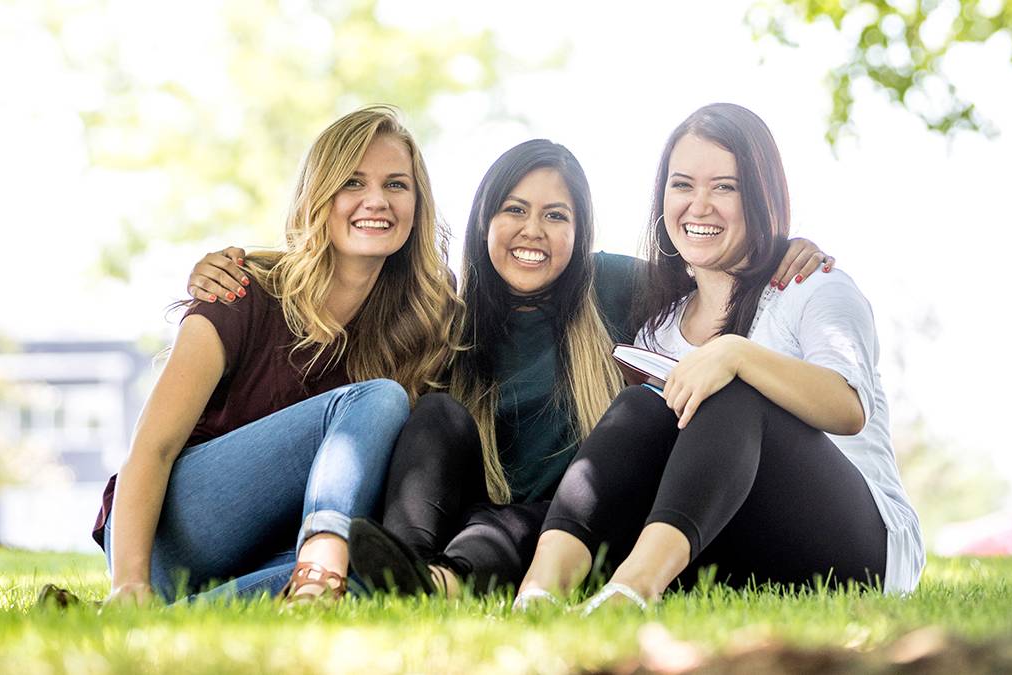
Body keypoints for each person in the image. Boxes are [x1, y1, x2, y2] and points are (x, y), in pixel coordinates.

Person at [187, 141, 834, 598]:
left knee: (526, 520)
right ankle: (403, 565)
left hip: (575, 520)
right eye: (514, 209)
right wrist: (247, 263)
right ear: (485, 219)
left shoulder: (614, 287)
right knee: (436, 414)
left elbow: (709, 260)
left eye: (557, 215)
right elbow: (349, 276)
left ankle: (433, 582)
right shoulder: (447, 317)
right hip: (460, 509)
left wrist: (784, 248)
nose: (534, 230)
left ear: (580, 232)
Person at [512, 103, 923, 612]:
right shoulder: (660, 325)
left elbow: (848, 408)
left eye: (724, 187)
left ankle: (631, 591)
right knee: (641, 406)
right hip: (729, 543)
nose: (699, 205)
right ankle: (540, 591)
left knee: (733, 394)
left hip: (858, 548)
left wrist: (736, 353)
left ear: (761, 195)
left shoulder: (812, 286)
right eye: (682, 185)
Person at [91, 106, 459, 606]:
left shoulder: (422, 323)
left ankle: (177, 615)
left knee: (375, 581)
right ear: (318, 196)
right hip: (168, 534)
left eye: (396, 185)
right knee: (378, 401)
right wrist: (129, 582)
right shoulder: (243, 290)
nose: (377, 201)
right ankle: (320, 565)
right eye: (352, 182)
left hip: (274, 550)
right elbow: (150, 448)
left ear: (418, 203)